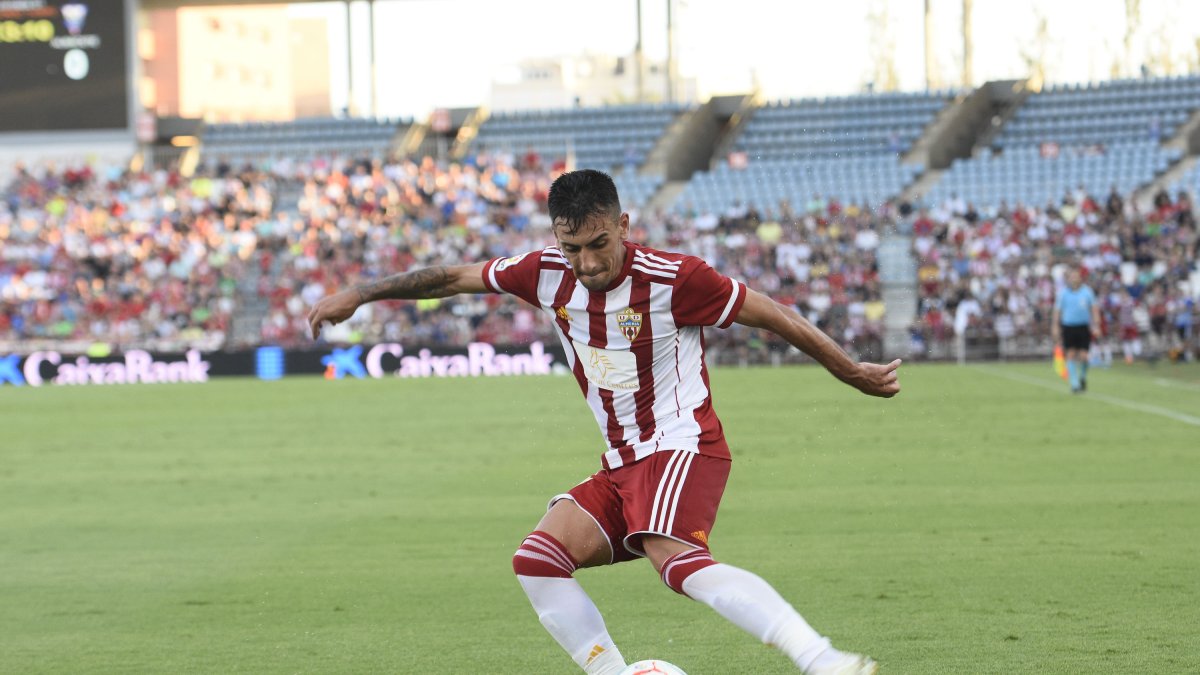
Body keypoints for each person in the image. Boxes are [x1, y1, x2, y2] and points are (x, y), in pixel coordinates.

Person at [307, 170, 901, 675]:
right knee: (537, 560)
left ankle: (824, 661)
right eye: (573, 249)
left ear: (623, 225)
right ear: (556, 239)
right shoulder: (543, 273)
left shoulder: (677, 279)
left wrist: (848, 370)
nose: (587, 263)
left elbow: (773, 315)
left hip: (680, 445)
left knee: (680, 565)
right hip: (622, 461)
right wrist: (360, 293)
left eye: (599, 244)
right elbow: (452, 278)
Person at [1052, 268, 1100, 393]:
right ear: (1068, 279)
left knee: (1084, 356)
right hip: (1069, 327)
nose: (1074, 279)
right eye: (1072, 276)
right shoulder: (1063, 293)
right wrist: (1055, 326)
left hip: (1083, 326)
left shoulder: (1087, 292)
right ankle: (1074, 383)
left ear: (1080, 278)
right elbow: (1057, 311)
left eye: (1076, 276)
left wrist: (1096, 325)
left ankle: (1082, 377)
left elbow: (1094, 309)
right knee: (1071, 354)